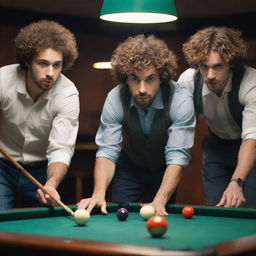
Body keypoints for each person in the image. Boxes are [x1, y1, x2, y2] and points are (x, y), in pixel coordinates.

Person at [77, 34, 195, 216]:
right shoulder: (116, 98)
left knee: (160, 212)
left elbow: (178, 155)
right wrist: (98, 193)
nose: (141, 89)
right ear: (125, 78)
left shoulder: (180, 99)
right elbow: (108, 150)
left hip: (165, 168)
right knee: (121, 216)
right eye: (134, 79)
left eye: (150, 79)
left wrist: (160, 199)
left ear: (161, 78)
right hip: (130, 168)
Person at [0, 20, 79, 209]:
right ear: (28, 60)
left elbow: (61, 148)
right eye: (43, 63)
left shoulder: (67, 94)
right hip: (2, 167)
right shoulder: (2, 81)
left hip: (43, 171)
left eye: (57, 65)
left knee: (48, 228)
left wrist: (51, 183)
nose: (51, 73)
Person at [178, 26, 256, 208]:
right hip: (216, 148)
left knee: (248, 211)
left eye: (218, 66)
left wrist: (236, 182)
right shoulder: (189, 82)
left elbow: (252, 140)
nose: (210, 75)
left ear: (231, 63)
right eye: (204, 67)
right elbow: (178, 129)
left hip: (250, 149)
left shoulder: (251, 83)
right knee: (216, 207)